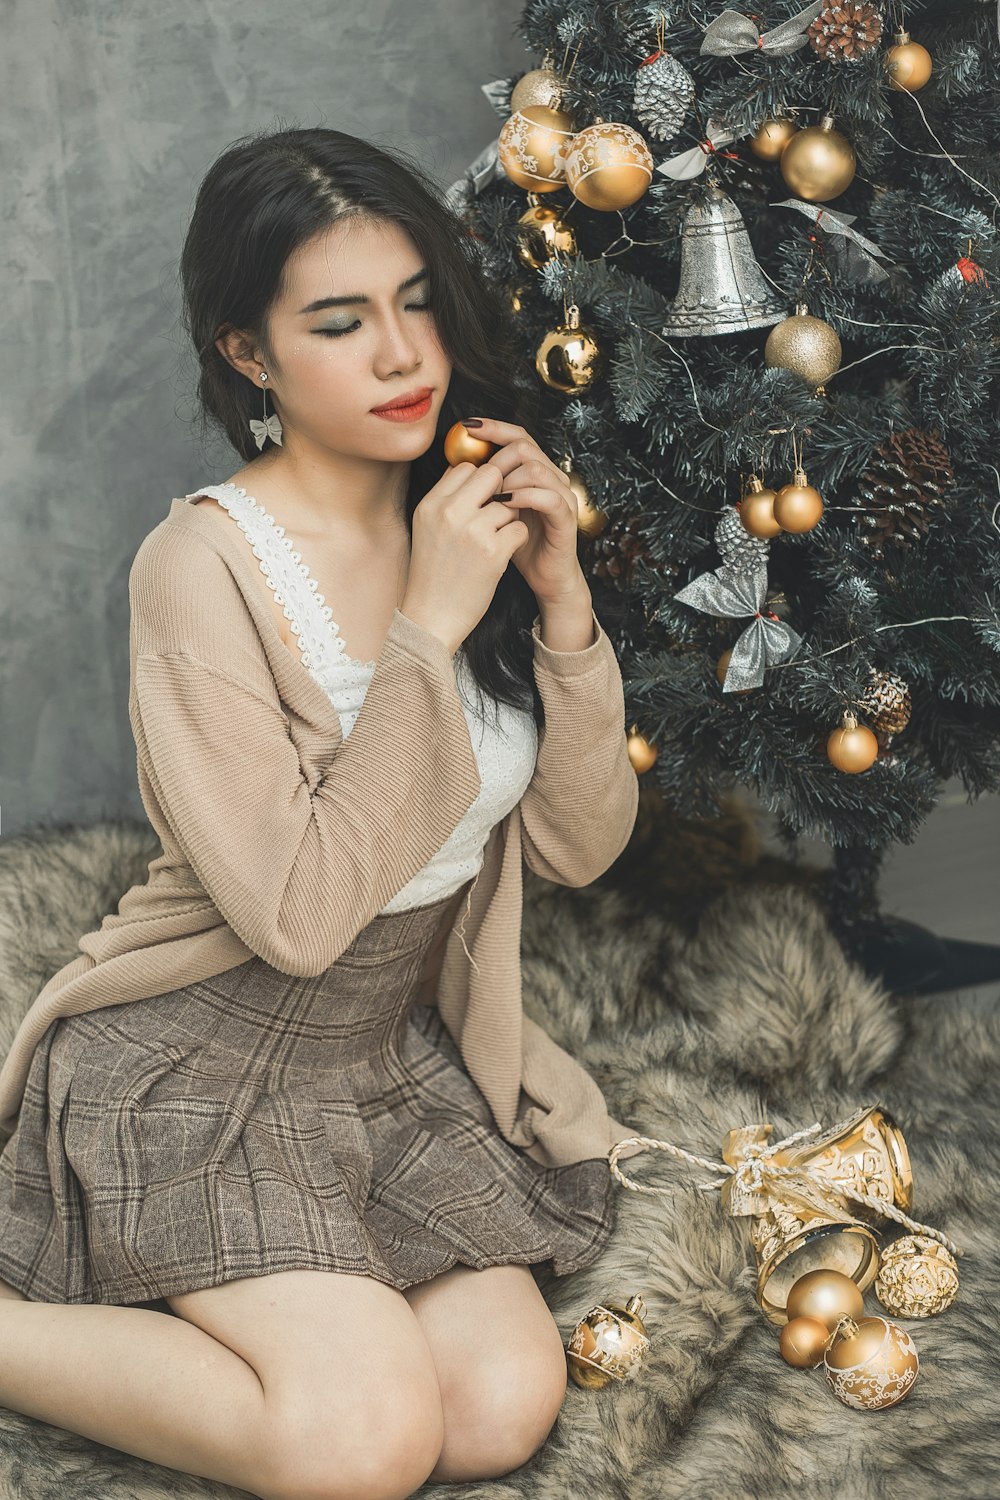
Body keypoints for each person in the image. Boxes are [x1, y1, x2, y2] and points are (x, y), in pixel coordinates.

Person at [0, 126, 641, 1500]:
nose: (404, 357)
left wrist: (566, 606)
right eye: (341, 323)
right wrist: (425, 626)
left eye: (417, 304)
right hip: (192, 1059)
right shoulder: (203, 569)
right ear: (246, 354)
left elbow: (582, 847)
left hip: (381, 1055)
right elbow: (296, 918)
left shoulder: (466, 513)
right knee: (360, 1447)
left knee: (498, 1410)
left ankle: (241, 1298)